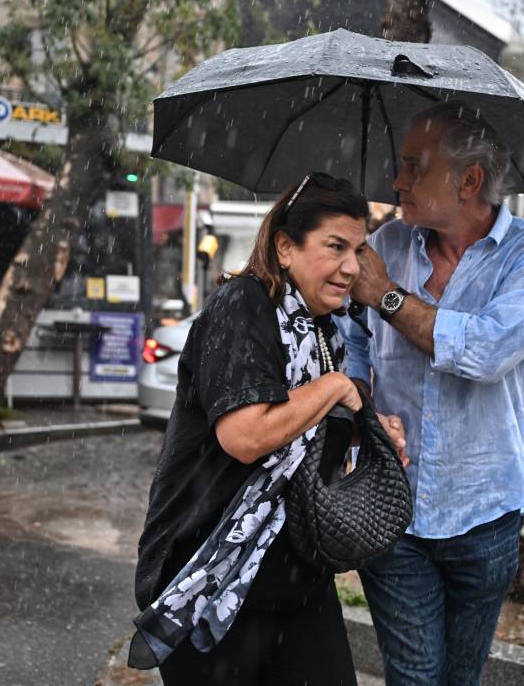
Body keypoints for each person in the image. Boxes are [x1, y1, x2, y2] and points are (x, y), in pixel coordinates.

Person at [132, 172, 403, 686]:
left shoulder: (325, 330)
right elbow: (247, 436)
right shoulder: (243, 307)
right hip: (213, 573)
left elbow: (309, 449)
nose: (352, 268)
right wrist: (334, 388)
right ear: (285, 247)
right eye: (335, 247)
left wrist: (370, 432)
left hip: (296, 578)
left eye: (359, 250)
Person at [342, 101, 524, 685]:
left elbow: (487, 351)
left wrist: (389, 297)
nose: (397, 181)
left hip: (486, 510)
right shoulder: (384, 243)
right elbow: (352, 347)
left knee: (461, 678)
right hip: (395, 506)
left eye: (415, 167)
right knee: (416, 678)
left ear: (469, 181)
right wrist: (365, 407)